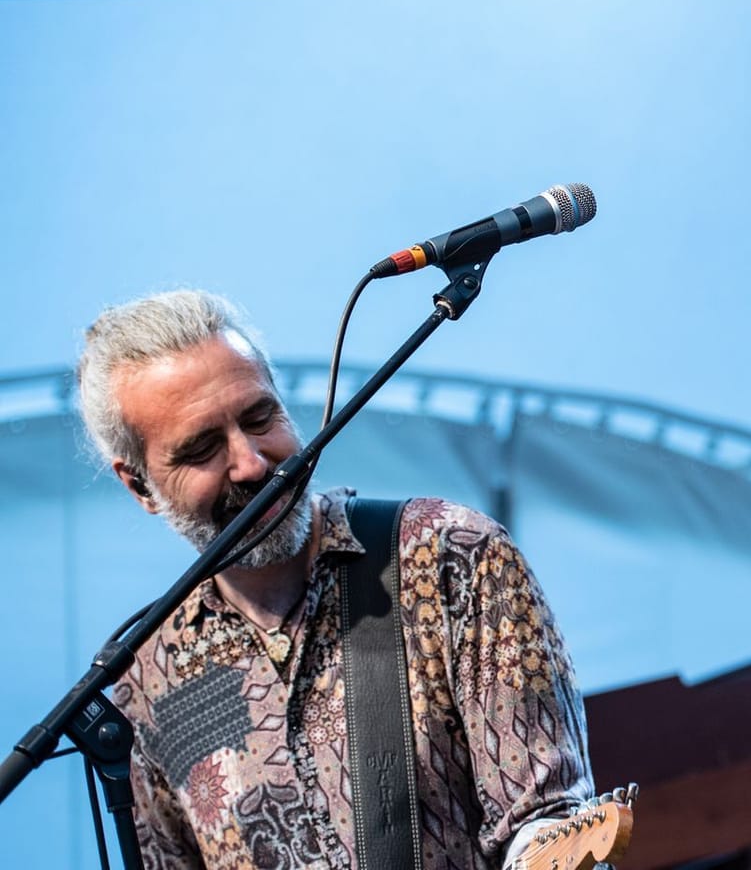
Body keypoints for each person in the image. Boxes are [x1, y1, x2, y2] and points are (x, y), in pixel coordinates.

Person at [77, 289, 596, 870]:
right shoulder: (148, 679)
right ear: (139, 484)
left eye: (260, 417)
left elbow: (547, 821)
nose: (252, 463)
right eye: (201, 449)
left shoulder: (450, 558)